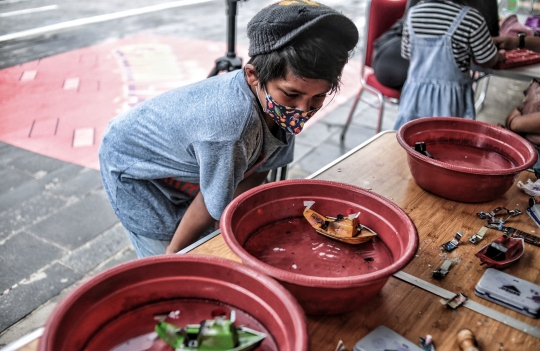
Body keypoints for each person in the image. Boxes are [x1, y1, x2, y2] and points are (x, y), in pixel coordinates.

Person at [98, 1, 359, 258]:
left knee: (216, 218)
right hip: (132, 165)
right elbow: (209, 205)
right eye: (292, 94)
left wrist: (223, 219)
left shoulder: (281, 106)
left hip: (193, 159)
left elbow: (261, 168)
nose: (303, 110)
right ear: (253, 76)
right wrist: (175, 254)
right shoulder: (230, 129)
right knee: (168, 244)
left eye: (318, 97)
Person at [393, 0, 505, 130]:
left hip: (415, 96)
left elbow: (407, 53)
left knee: (411, 136)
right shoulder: (471, 18)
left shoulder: (413, 14)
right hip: (450, 102)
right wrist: (498, 56)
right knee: (446, 139)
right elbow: (487, 59)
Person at [372, 0, 500, 91]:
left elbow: (490, 38)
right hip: (395, 51)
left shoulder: (475, 14)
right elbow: (487, 53)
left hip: (423, 67)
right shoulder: (472, 17)